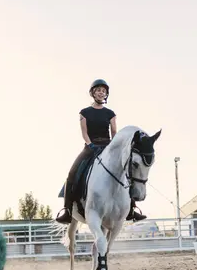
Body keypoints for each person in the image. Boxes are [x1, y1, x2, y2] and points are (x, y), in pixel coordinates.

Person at [55, 78, 147, 224]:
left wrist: (115, 148)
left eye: (103, 91)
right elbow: (84, 133)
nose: (101, 93)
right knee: (72, 173)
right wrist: (90, 144)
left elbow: (114, 133)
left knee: (126, 172)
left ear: (106, 95)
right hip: (90, 147)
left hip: (108, 147)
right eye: (98, 90)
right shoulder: (85, 112)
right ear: (93, 93)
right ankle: (67, 210)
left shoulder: (110, 113)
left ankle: (131, 208)